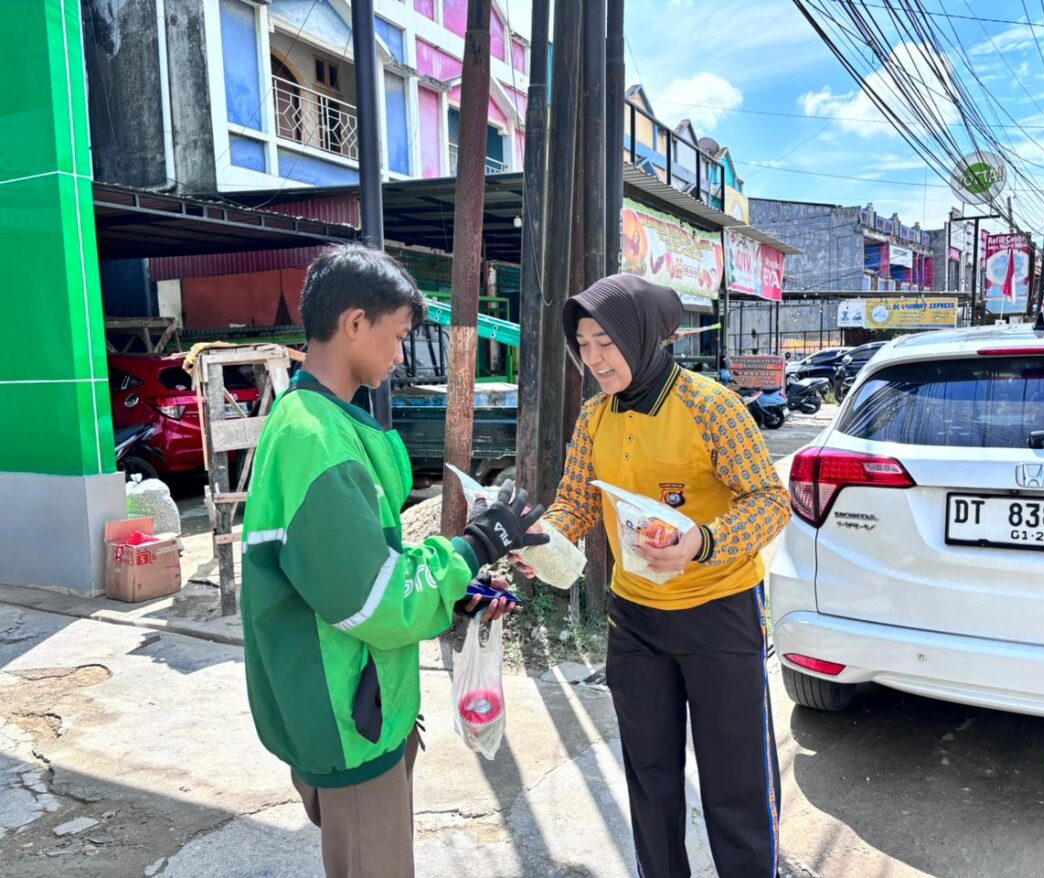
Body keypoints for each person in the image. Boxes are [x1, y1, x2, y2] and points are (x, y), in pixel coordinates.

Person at [240, 244, 546, 878]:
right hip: (347, 714)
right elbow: (377, 601)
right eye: (399, 336)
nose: (402, 355)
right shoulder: (314, 440)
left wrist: (456, 591)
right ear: (355, 323)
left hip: (359, 698)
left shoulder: (321, 422)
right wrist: (478, 544)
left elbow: (365, 567)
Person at [529, 274, 792, 878]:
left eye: (606, 342)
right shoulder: (594, 416)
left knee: (736, 778)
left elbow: (769, 501)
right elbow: (576, 502)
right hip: (636, 621)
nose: (594, 359)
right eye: (583, 345)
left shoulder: (710, 407)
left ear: (642, 338)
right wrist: (543, 537)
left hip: (720, 613)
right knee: (650, 775)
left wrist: (703, 541)